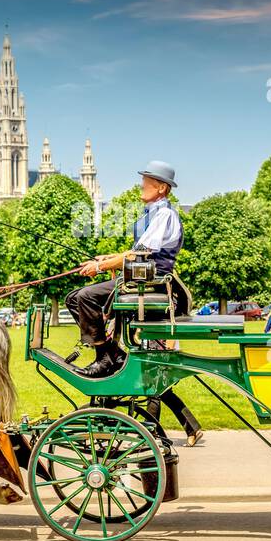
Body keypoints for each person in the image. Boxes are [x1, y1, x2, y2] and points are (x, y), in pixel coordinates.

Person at [65, 161, 183, 378]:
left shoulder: (164, 214)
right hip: (140, 279)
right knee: (73, 298)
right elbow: (135, 251)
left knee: (85, 296)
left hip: (150, 282)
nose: (141, 185)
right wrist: (108, 258)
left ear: (161, 188)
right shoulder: (154, 213)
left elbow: (138, 254)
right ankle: (113, 354)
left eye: (146, 182)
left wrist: (100, 266)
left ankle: (105, 358)